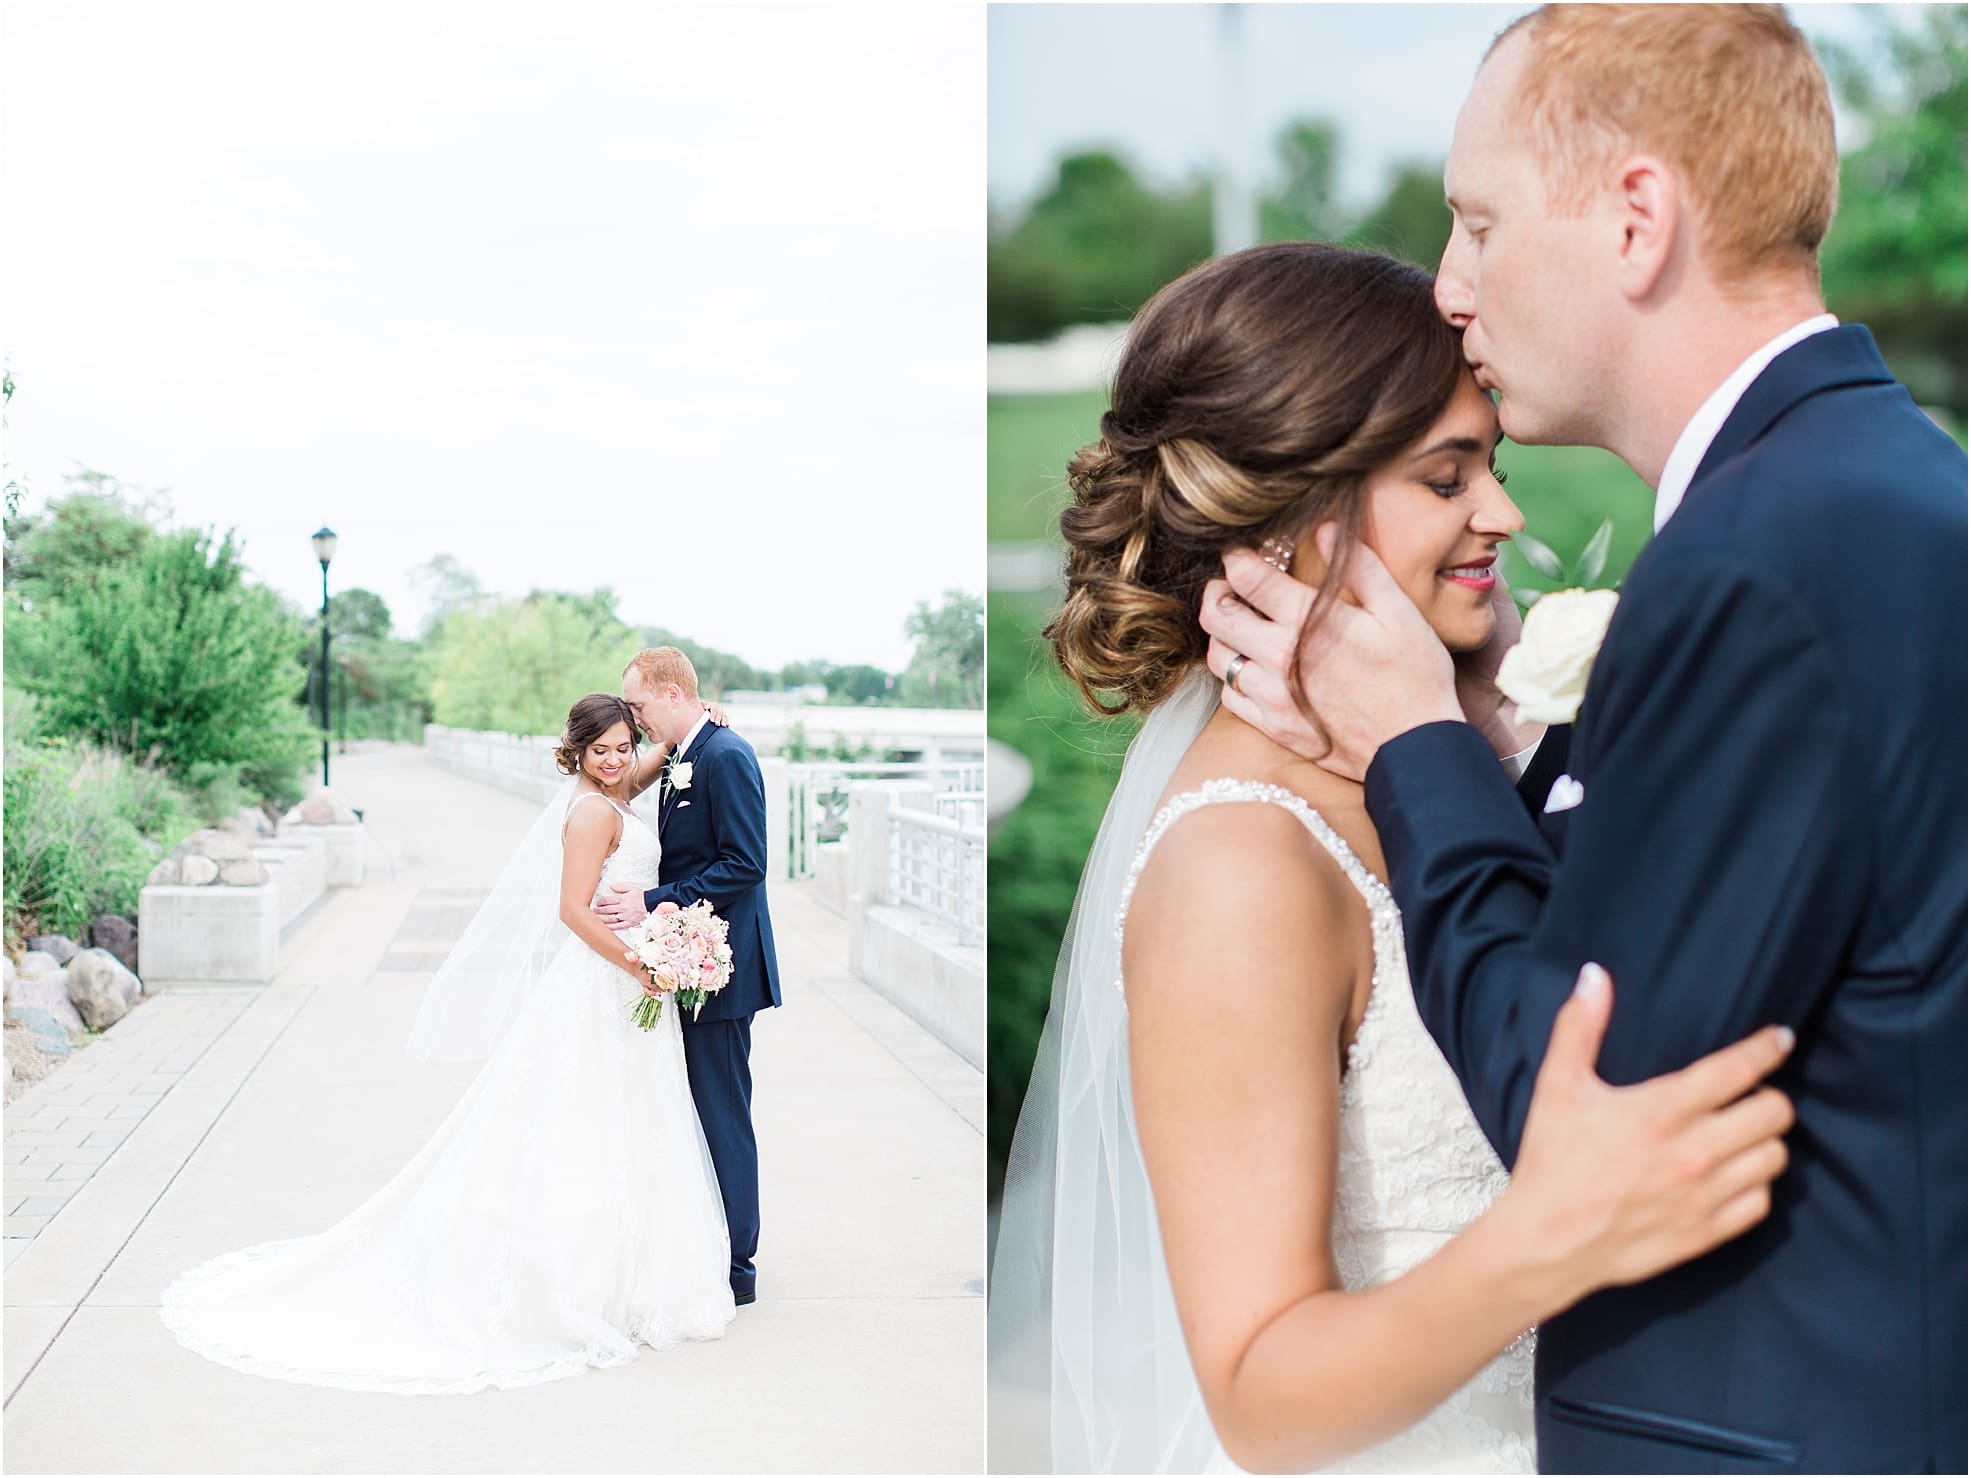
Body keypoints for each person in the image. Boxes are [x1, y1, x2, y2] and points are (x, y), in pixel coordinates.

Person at [1199, 7, 1966, 1472]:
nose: (1449, 286)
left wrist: (1413, 740)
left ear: (1632, 220)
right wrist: (1497, 733)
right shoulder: (1890, 477)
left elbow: (1589, 1104)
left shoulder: (1752, 556)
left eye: (1477, 223)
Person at [990, 241, 1797, 1474]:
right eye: (1446, 474)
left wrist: (1512, 720)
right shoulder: (1241, 865)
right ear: (1299, 520)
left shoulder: (1463, 761)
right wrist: (1556, 1231)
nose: (1507, 514)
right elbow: (1261, 1394)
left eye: (1494, 461)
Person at [160, 693, 734, 1392]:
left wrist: (689, 732)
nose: (614, 761)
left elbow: (638, 776)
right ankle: (574, 1280)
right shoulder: (588, 810)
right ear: (576, 753)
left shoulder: (610, 792)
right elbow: (570, 911)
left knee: (623, 1122)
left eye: (622, 746)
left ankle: (628, 1271)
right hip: (605, 978)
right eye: (600, 750)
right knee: (579, 1124)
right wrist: (640, 964)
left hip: (622, 984)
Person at [595, 647, 781, 1306]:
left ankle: (738, 1266)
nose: (636, 720)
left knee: (722, 1113)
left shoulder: (726, 757)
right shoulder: (683, 752)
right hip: (689, 961)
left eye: (640, 706)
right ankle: (707, 1245)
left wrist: (653, 900)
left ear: (672, 695)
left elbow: (744, 863)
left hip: (722, 968)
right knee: (694, 1112)